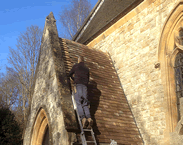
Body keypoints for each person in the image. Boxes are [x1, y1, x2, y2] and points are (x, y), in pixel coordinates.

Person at [68, 56, 93, 129]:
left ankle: (83, 119)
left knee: (78, 102)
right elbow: (87, 79)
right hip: (85, 87)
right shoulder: (87, 69)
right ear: (83, 61)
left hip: (78, 85)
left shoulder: (76, 66)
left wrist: (74, 79)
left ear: (78, 60)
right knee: (85, 104)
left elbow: (69, 74)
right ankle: (89, 118)